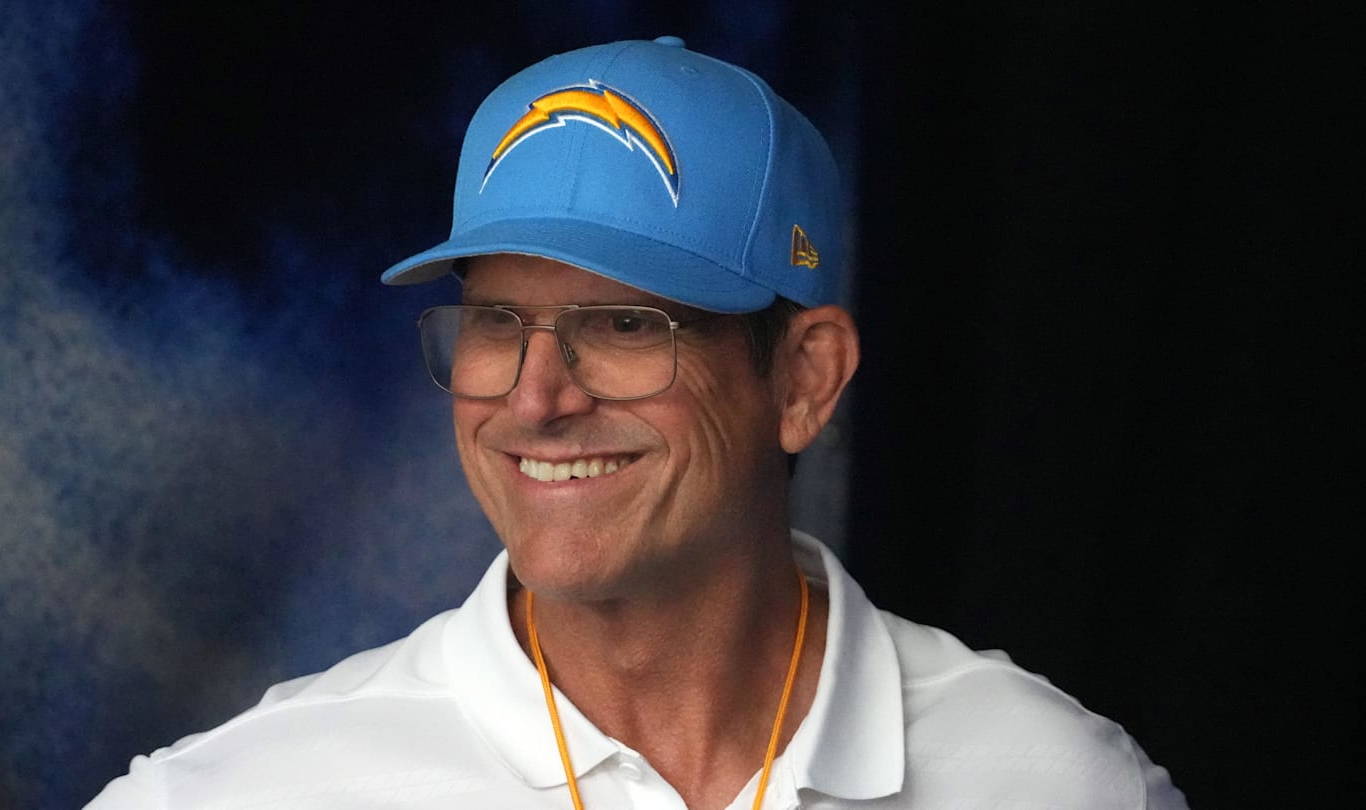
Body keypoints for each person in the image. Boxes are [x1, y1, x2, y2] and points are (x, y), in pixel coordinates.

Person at [87, 37, 1188, 810]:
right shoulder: (247, 791)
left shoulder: (1059, 783)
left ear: (805, 379)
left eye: (623, 321)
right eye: (495, 321)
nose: (536, 397)